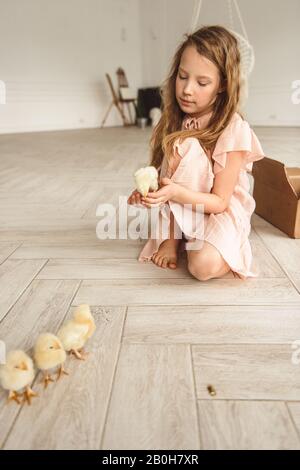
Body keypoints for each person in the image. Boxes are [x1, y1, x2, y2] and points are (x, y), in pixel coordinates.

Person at [127, 25, 265, 281]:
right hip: (185, 203)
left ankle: (227, 243)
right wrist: (149, 192)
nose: (187, 89)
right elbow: (164, 178)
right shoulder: (174, 120)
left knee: (202, 267)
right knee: (183, 144)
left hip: (220, 209)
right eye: (182, 76)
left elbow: (220, 202)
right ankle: (173, 237)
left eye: (202, 82)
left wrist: (176, 192)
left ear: (223, 85)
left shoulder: (233, 129)